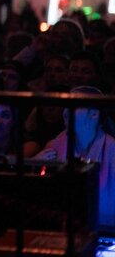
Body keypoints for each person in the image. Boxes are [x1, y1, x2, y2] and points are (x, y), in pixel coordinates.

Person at [32, 86, 115, 230]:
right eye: (65, 107)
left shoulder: (113, 151)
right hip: (61, 229)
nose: (65, 112)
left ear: (94, 114)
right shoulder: (54, 147)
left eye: (73, 106)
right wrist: (35, 166)